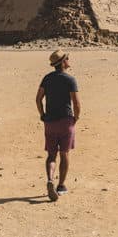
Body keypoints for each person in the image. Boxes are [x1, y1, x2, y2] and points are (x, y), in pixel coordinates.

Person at [35, 49, 80, 202]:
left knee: (51, 155)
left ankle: (49, 179)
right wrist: (76, 118)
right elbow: (76, 103)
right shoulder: (70, 80)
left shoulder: (47, 79)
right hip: (66, 121)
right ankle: (61, 185)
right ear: (63, 62)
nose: (69, 60)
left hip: (50, 123)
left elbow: (38, 99)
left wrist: (42, 115)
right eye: (68, 58)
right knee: (65, 153)